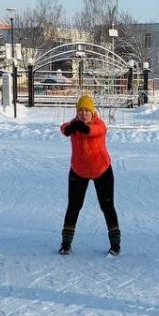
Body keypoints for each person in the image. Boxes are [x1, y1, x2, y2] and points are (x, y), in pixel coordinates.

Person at [58, 94, 121, 256]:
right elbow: (64, 128)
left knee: (107, 206)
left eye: (87, 110)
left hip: (102, 170)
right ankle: (66, 244)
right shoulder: (74, 125)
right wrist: (70, 127)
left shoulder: (99, 124)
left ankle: (115, 245)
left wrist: (81, 127)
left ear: (93, 112)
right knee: (74, 206)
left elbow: (95, 131)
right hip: (79, 171)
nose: (84, 113)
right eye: (81, 110)